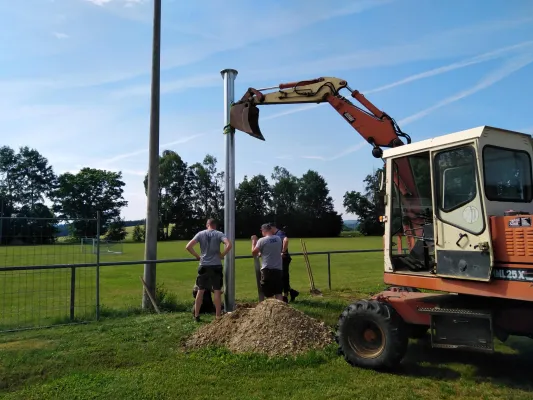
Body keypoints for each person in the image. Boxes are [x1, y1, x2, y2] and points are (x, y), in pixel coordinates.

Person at [186, 218, 232, 321]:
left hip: (204, 265)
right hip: (216, 266)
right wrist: (222, 255)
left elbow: (188, 246)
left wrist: (197, 256)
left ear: (207, 225)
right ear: (215, 225)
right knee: (216, 291)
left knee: (200, 291)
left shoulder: (200, 234)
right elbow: (229, 245)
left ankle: (196, 315)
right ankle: (218, 316)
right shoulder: (219, 234)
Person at [251, 223, 284, 301]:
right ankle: (280, 310)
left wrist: (253, 242)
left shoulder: (262, 240)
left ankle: (269, 311)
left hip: (267, 269)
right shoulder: (278, 238)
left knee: (268, 293)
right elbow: (271, 251)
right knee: (278, 292)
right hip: (278, 269)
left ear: (263, 230)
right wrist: (261, 253)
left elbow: (254, 252)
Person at [270, 223, 299, 303]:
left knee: (283, 277)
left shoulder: (279, 233)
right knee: (282, 277)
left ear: (272, 228)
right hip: (280, 259)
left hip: (284, 258)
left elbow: (286, 239)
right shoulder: (276, 234)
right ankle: (292, 292)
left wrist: (283, 251)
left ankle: (285, 296)